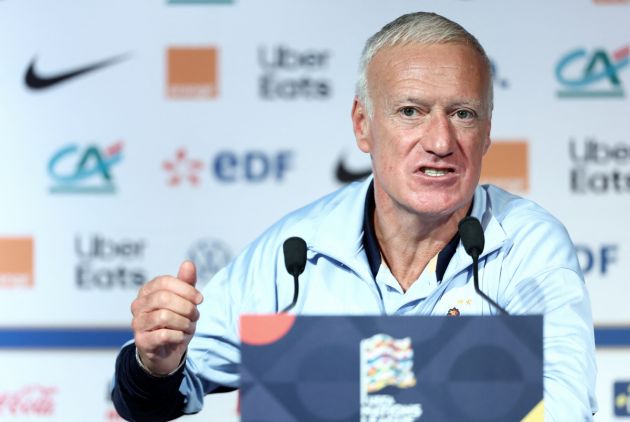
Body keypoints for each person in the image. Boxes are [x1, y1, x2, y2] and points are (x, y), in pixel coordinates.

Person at [112, 11, 597, 421]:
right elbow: (156, 397)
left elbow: (565, 408)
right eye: (411, 111)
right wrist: (156, 361)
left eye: (463, 114)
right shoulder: (294, 252)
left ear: (487, 132)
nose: (441, 141)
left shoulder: (528, 245)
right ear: (363, 126)